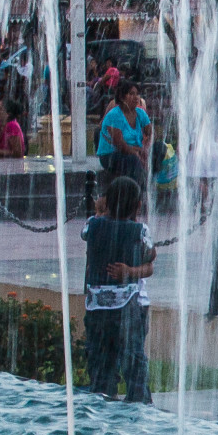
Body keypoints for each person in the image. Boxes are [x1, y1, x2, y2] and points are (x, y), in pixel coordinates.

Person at [81, 175, 154, 402]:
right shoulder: (139, 231)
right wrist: (130, 271)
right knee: (133, 359)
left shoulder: (92, 225)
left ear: (107, 202)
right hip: (128, 307)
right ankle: (138, 403)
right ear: (138, 205)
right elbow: (151, 257)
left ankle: (102, 398)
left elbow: (87, 232)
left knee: (100, 359)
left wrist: (100, 212)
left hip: (96, 307)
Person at [97, 79, 150, 181]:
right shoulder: (114, 115)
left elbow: (151, 133)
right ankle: (139, 187)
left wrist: (147, 147)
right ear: (122, 97)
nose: (136, 97)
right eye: (131, 94)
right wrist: (138, 152)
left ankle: (157, 184)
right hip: (111, 155)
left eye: (137, 94)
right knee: (133, 160)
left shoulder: (140, 113)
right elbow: (120, 145)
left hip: (136, 150)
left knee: (160, 149)